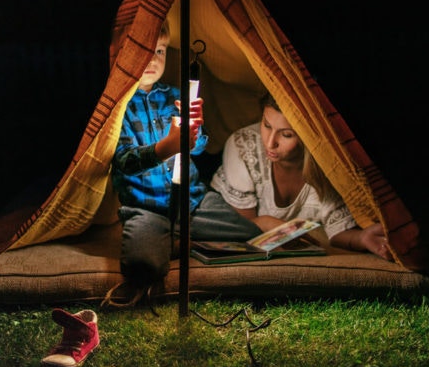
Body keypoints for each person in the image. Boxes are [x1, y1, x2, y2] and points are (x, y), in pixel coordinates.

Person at [110, 21, 262, 297]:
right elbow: (125, 162)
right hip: (146, 208)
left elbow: (199, 148)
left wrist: (195, 134)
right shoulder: (119, 106)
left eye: (159, 51)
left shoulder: (176, 96)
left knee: (248, 234)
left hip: (192, 202)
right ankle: (170, 237)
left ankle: (178, 237)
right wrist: (166, 147)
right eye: (144, 51)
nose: (152, 60)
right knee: (142, 267)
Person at [211, 93, 392, 259]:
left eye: (286, 134)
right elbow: (244, 228)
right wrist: (268, 223)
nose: (270, 142)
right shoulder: (244, 146)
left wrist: (361, 237)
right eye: (266, 125)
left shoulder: (325, 164)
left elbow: (338, 230)